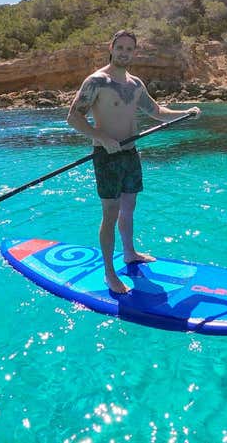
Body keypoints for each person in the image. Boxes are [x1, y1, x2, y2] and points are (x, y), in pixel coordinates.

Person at [67, 29, 201, 294]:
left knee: (129, 206)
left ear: (134, 52)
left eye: (130, 49)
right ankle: (109, 272)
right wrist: (102, 138)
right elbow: (73, 117)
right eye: (120, 48)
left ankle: (129, 253)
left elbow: (157, 111)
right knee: (110, 213)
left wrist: (184, 113)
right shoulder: (97, 81)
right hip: (106, 156)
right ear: (112, 47)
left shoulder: (136, 84)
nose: (124, 53)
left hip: (130, 154)